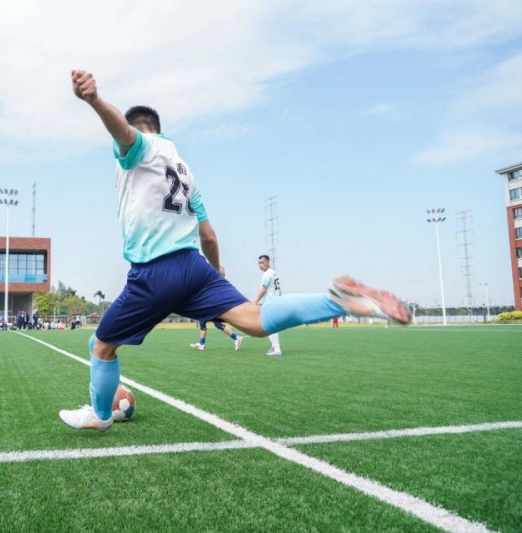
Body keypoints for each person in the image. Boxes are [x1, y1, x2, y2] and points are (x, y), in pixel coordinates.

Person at [58, 70, 410, 432]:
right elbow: (208, 236)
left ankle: (100, 415)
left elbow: (123, 133)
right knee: (254, 320)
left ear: (141, 130)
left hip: (155, 271)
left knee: (101, 346)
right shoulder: (185, 171)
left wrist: (95, 101)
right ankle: (338, 302)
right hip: (194, 267)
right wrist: (215, 271)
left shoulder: (141, 147)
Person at [254, 255, 282, 356]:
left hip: (270, 303)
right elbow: (278, 289)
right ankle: (274, 347)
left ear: (268, 262)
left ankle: (277, 349)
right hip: (275, 302)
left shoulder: (267, 274)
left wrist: (254, 302)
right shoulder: (274, 273)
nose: (260, 265)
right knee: (269, 326)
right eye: (259, 263)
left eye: (262, 262)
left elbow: (263, 290)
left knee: (268, 326)